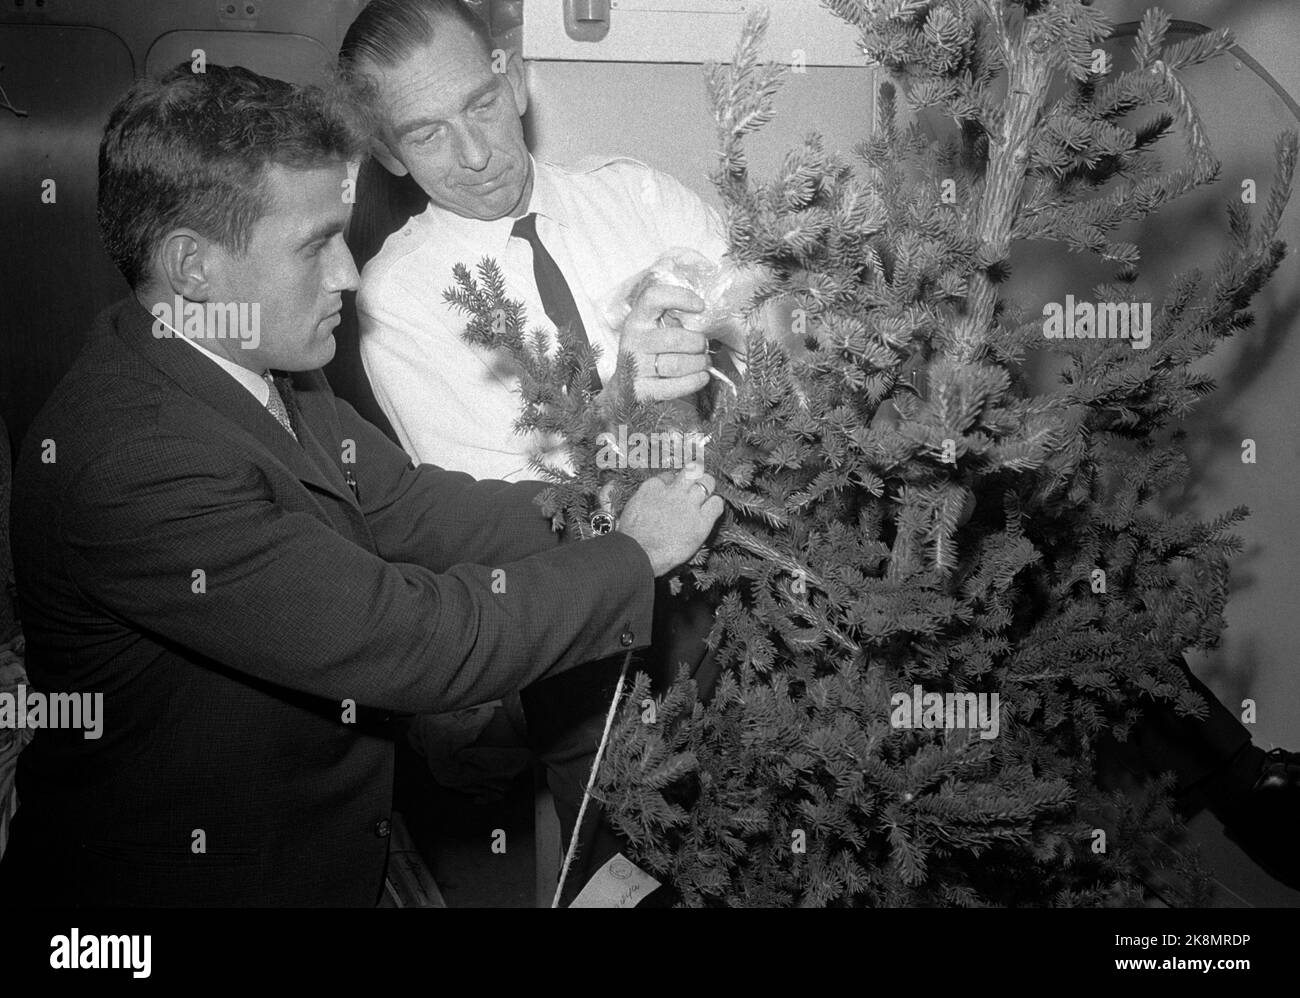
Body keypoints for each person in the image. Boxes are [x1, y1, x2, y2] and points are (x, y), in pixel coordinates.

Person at [333, 0, 1300, 895]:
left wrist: (728, 371)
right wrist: (629, 396)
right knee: (666, 836)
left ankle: (1237, 779)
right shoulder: (398, 297)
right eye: (426, 133)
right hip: (615, 602)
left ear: (510, 80)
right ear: (386, 149)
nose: (471, 151)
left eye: (480, 104)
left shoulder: (631, 195)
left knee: (996, 512)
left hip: (775, 506)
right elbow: (525, 514)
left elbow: (783, 343)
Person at [0, 61, 722, 907]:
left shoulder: (265, 368)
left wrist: (599, 511)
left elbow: (417, 508)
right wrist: (634, 556)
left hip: (329, 848)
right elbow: (413, 641)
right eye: (314, 245)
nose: (348, 273)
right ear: (193, 269)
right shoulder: (134, 462)